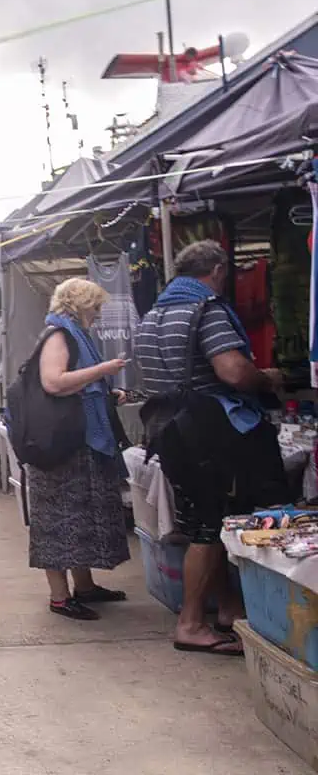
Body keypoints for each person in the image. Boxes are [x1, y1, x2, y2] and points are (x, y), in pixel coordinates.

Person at [135, 240, 290, 655]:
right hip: (211, 431)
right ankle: (190, 624)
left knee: (209, 522)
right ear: (218, 270)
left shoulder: (152, 316)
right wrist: (267, 377)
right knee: (210, 526)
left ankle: (227, 609)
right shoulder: (207, 309)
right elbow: (233, 371)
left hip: (168, 431)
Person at [28, 279, 131, 620]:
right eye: (95, 307)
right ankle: (60, 597)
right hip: (62, 445)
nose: (98, 314)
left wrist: (104, 391)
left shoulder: (72, 334)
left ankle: (84, 586)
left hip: (76, 441)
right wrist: (102, 371)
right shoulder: (59, 335)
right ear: (80, 304)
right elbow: (54, 381)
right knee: (59, 521)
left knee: (80, 517)